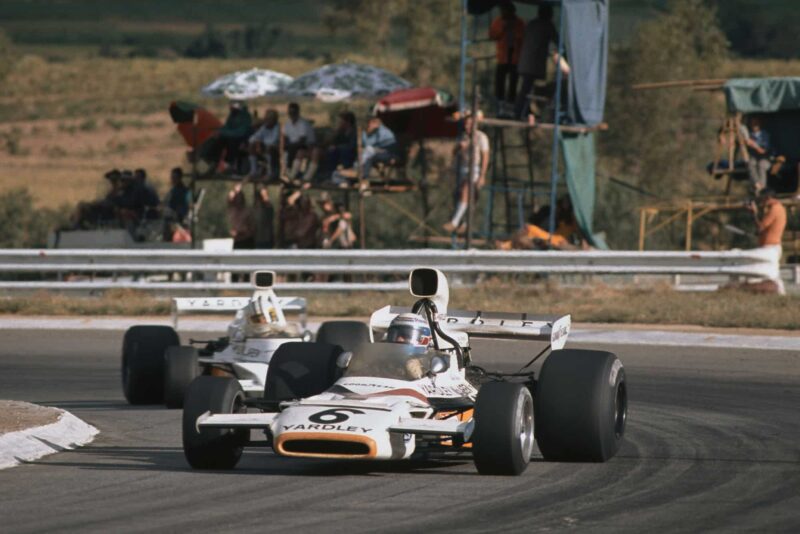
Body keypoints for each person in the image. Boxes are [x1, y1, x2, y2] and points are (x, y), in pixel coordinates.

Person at [444, 113, 490, 234]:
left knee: (466, 190)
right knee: (466, 197)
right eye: (466, 124)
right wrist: (460, 147)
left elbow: (485, 156)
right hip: (462, 168)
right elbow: (454, 152)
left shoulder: (481, 137)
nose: (467, 126)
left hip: (474, 169)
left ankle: (455, 221)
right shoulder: (463, 137)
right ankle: (465, 223)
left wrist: (482, 175)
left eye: (470, 124)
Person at [515, 4, 559, 120]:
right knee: (528, 89)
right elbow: (557, 40)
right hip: (533, 64)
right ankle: (522, 113)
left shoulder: (531, 23)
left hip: (525, 62)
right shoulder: (547, 25)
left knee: (527, 89)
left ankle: (524, 112)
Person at [749, 188, 787, 294]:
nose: (761, 202)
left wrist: (753, 213)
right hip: (773, 246)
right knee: (773, 273)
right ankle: (780, 293)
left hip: (770, 247)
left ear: (768, 198)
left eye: (762, 199)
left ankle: (779, 292)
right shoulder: (780, 208)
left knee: (767, 273)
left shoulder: (774, 209)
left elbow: (760, 228)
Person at [489, 1, 524, 115]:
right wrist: (503, 28)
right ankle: (500, 104)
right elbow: (492, 35)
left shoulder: (519, 23)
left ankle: (510, 106)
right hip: (502, 57)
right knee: (500, 81)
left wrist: (514, 31)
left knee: (513, 82)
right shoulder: (498, 22)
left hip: (515, 57)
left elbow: (523, 37)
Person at [283, 102, 318, 181]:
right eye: (290, 112)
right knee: (286, 150)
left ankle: (292, 175)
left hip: (307, 145)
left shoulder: (303, 123)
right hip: (294, 145)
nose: (292, 114)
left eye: (294, 112)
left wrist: (290, 145)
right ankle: (287, 173)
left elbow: (302, 139)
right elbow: (285, 138)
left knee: (296, 150)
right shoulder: (287, 124)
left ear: (298, 112)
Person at [327, 111, 359, 183]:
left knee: (341, 152)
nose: (339, 123)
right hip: (340, 153)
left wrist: (338, 147)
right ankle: (330, 174)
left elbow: (352, 146)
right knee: (330, 152)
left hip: (352, 154)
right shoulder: (341, 132)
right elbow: (333, 142)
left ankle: (344, 176)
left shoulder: (354, 132)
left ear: (347, 122)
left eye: (341, 121)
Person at [248, 109, 280, 179]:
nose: (266, 121)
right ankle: (254, 171)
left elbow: (274, 141)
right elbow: (253, 138)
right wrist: (258, 143)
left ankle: (270, 173)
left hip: (275, 150)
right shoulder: (264, 127)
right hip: (263, 147)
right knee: (251, 146)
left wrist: (260, 143)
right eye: (266, 119)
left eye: (269, 119)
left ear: (274, 120)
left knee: (269, 148)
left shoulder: (277, 128)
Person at [744, 116, 772, 194]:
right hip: (754, 158)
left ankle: (762, 188)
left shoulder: (765, 135)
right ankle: (757, 185)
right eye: (752, 124)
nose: (754, 125)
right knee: (750, 163)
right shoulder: (749, 135)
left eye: (756, 123)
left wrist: (754, 145)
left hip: (766, 158)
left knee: (761, 165)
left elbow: (763, 151)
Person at [227, 182, 255, 249]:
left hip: (245, 240)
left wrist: (239, 233)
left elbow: (251, 229)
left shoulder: (246, 211)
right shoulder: (233, 210)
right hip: (240, 240)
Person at [253, 185, 275, 249]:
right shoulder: (257, 207)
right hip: (259, 238)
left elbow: (270, 215)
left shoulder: (268, 207)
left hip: (267, 238)